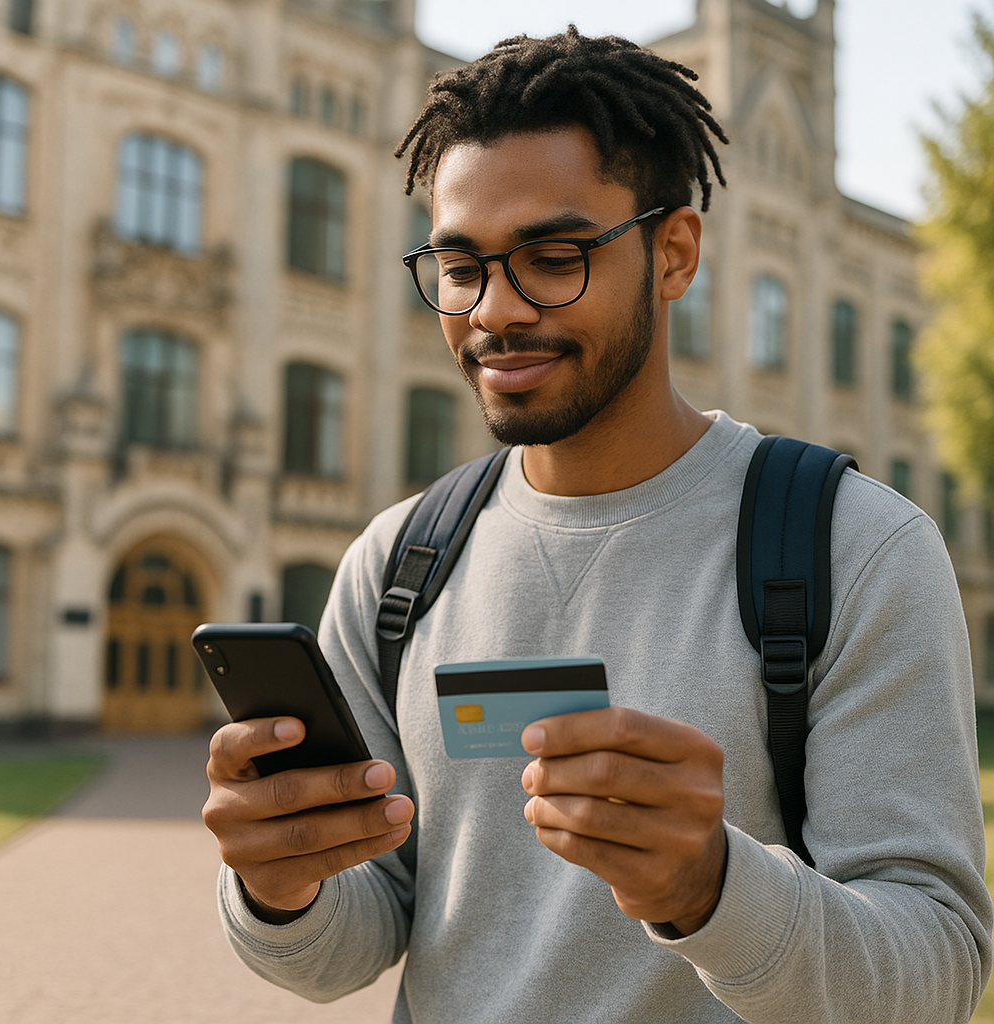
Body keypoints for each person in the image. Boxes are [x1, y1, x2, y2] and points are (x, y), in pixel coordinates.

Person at [202, 26, 992, 1023]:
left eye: (552, 255)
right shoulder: (397, 561)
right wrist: (282, 883)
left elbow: (938, 973)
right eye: (460, 265)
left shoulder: (856, 548)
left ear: (673, 253)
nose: (495, 311)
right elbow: (354, 942)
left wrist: (710, 889)